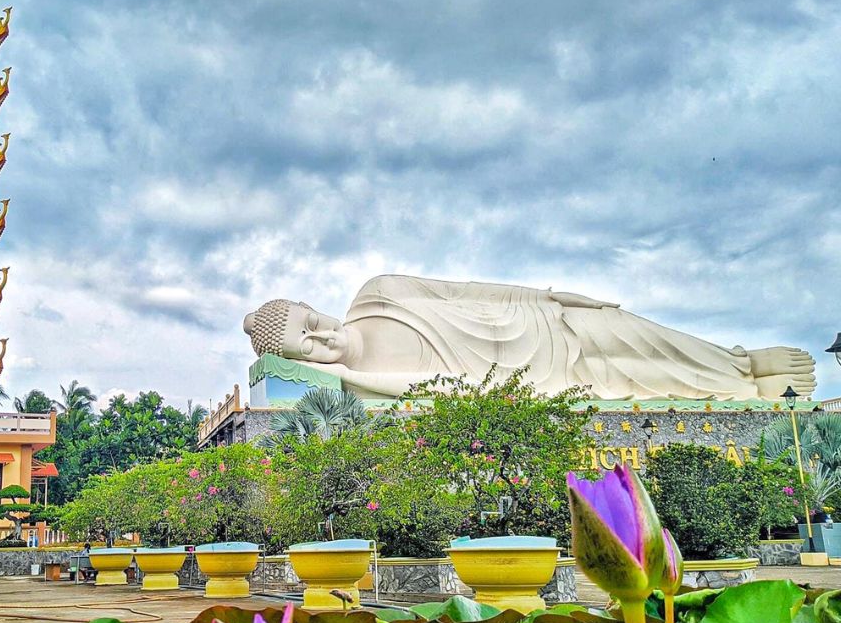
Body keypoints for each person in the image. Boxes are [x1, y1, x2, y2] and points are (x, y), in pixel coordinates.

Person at [244, 275, 816, 400]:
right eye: (308, 347)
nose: (324, 337)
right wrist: (344, 373)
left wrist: (551, 297)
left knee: (640, 335)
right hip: (541, 382)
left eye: (311, 321)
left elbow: (469, 292)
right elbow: (432, 393)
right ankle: (751, 392)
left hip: (536, 324)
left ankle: (740, 361)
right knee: (642, 377)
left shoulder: (378, 294)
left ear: (313, 305)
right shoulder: (366, 384)